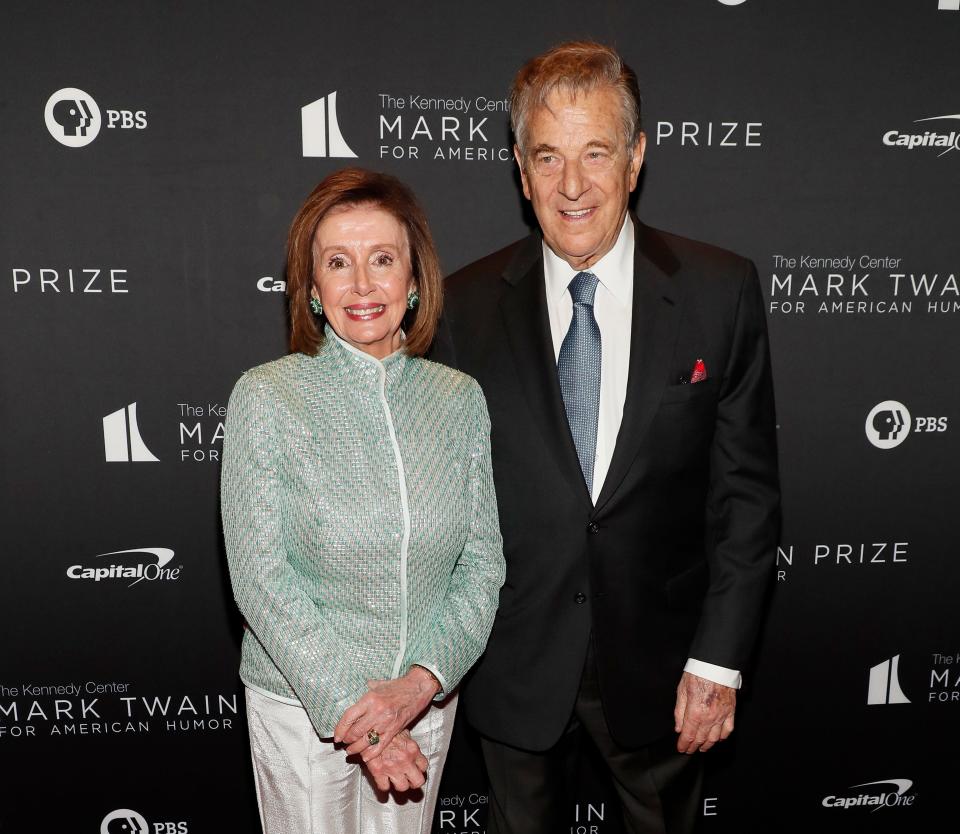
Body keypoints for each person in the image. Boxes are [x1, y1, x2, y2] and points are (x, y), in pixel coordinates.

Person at [431, 41, 780, 833]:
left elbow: (746, 498)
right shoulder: (464, 306)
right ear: (521, 171)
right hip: (514, 660)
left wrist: (718, 661)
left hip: (664, 665)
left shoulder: (719, 291)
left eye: (595, 153)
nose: (573, 185)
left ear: (636, 158)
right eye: (548, 158)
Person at [221, 167, 505, 834]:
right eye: (337, 263)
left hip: (424, 708)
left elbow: (483, 565)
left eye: (383, 259)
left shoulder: (458, 401)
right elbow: (261, 580)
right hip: (304, 712)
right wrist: (366, 719)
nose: (362, 285)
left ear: (414, 279)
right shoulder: (268, 396)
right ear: (313, 290)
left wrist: (418, 686)